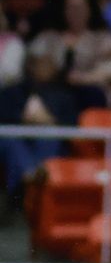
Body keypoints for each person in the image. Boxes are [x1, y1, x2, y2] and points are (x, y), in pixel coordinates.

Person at [0, 44, 79, 204]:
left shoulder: (65, 95)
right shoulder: (12, 92)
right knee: (10, 141)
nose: (40, 67)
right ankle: (30, 173)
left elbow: (74, 128)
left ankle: (36, 175)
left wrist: (50, 121)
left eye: (46, 62)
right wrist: (23, 118)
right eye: (36, 62)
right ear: (29, 65)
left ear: (55, 67)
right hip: (18, 141)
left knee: (49, 136)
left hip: (49, 142)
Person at [28, 0, 111, 110]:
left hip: (90, 91)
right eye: (70, 7)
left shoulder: (102, 38)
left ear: (90, 10)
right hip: (52, 88)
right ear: (63, 10)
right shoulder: (48, 37)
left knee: (93, 95)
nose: (75, 12)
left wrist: (83, 78)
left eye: (80, 7)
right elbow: (34, 66)